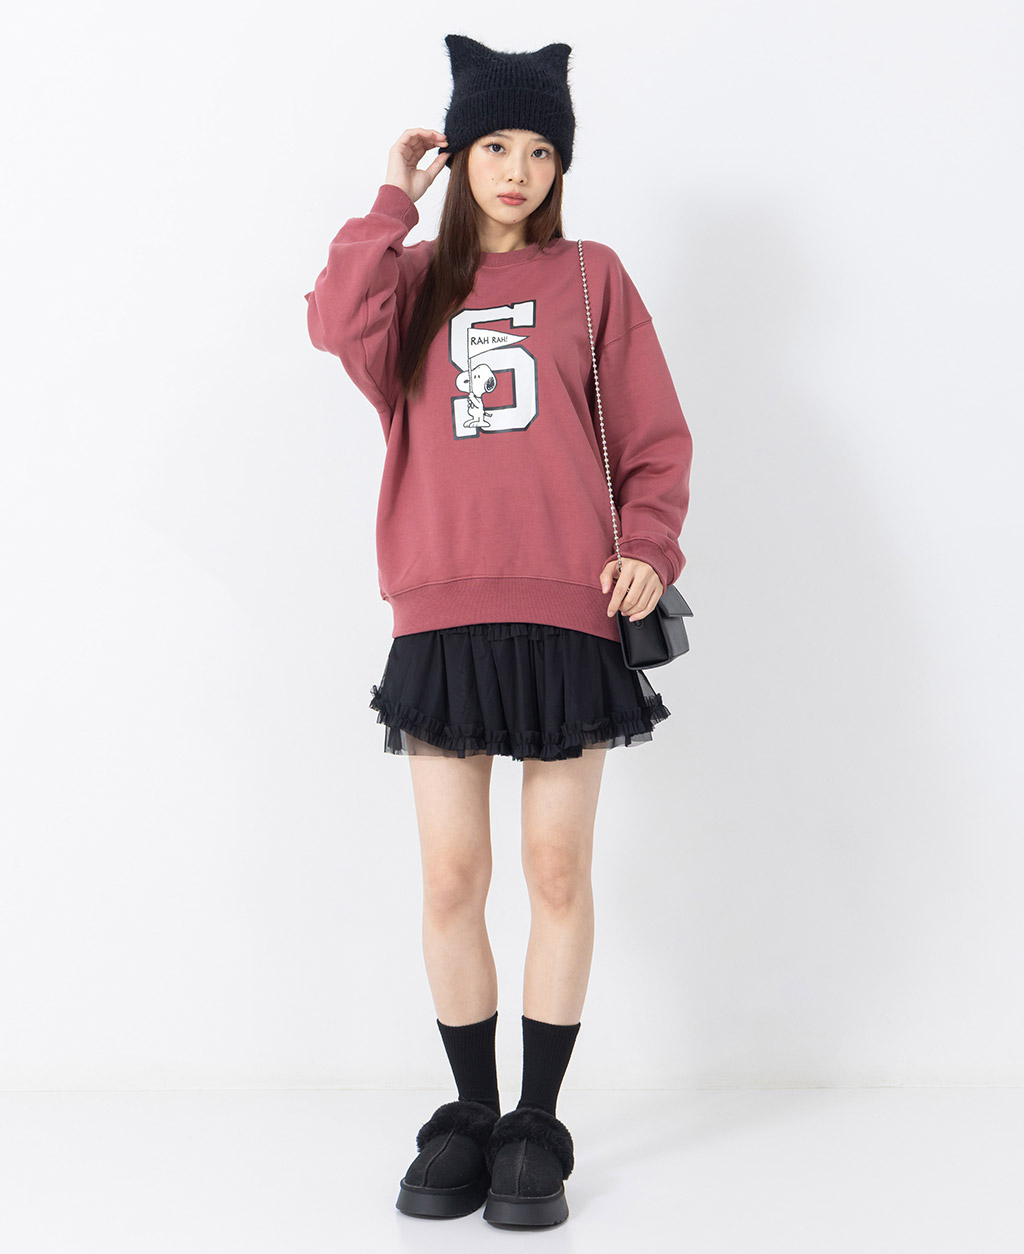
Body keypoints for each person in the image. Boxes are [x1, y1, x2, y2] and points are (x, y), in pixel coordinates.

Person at [304, 33, 693, 1229]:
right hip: (442, 611)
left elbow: (654, 441)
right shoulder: (412, 281)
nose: (517, 170)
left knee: (556, 870)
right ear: (458, 155)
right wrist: (390, 198)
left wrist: (649, 550)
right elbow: (331, 320)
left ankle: (534, 1123)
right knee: (450, 877)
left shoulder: (593, 277)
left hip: (569, 609)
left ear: (559, 165)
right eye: (493, 146)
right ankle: (470, 1113)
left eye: (538, 150)